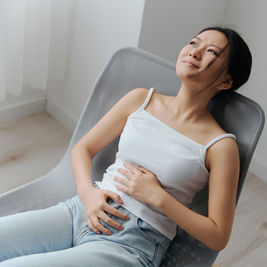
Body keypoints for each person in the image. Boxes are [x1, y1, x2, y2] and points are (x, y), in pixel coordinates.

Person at [0, 25, 252, 267]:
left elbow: (218, 235)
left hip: (133, 242)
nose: (194, 51)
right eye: (194, 42)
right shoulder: (141, 99)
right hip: (83, 210)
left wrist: (159, 197)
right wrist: (87, 193)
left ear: (226, 81)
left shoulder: (220, 146)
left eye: (211, 51)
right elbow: (83, 148)